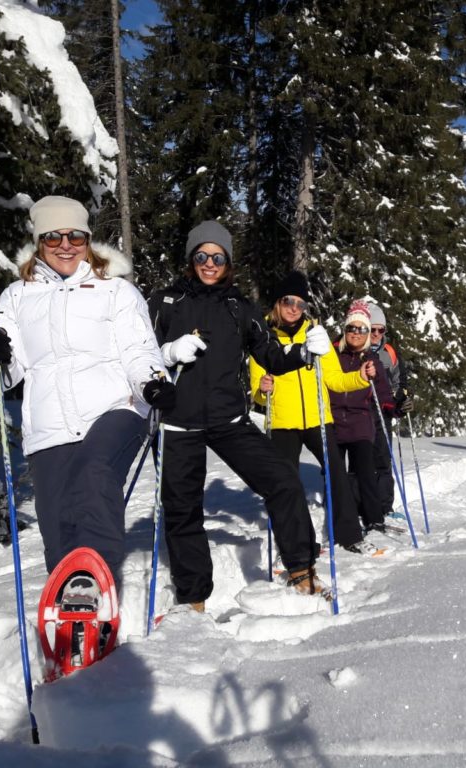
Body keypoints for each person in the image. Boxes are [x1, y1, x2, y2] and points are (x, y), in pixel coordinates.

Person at [0, 195, 174, 587]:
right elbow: (3, 378)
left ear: (87, 240)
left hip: (116, 409)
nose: (65, 245)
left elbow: (139, 350)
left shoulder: (115, 291)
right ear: (39, 242)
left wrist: (153, 383)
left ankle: (90, 581)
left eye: (75, 236)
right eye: (53, 237)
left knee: (95, 474)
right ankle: (72, 610)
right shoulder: (15, 297)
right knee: (59, 528)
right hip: (49, 427)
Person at [146, 221, 333, 608]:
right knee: (182, 509)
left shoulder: (239, 307)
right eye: (202, 255)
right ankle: (193, 597)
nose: (209, 263)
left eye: (218, 257)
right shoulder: (165, 302)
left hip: (229, 420)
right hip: (177, 422)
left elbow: (270, 355)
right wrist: (166, 354)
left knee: (283, 480)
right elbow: (138, 354)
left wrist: (303, 352)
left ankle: (301, 569)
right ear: (191, 258)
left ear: (228, 262)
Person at [249, 272, 382, 556]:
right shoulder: (263, 337)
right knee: (286, 484)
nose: (294, 308)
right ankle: (298, 542)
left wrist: (359, 376)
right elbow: (258, 391)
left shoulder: (315, 334)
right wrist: (262, 389)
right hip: (283, 422)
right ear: (278, 302)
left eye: (301, 304)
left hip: (318, 419)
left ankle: (350, 535)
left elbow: (334, 379)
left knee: (337, 476)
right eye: (289, 301)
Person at [328, 300, 398, 533]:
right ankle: (341, 517)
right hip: (333, 421)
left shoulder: (371, 360)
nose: (356, 333)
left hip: (360, 423)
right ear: (345, 330)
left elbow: (383, 392)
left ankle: (373, 518)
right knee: (336, 474)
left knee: (365, 472)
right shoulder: (331, 354)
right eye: (352, 328)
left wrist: (394, 407)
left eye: (362, 329)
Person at [367, 303, 412, 518]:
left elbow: (400, 382)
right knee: (362, 463)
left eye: (381, 330)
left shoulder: (389, 353)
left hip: (383, 412)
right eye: (372, 329)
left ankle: (385, 506)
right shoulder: (356, 349)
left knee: (383, 461)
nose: (376, 334)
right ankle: (363, 508)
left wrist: (402, 400)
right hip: (359, 413)